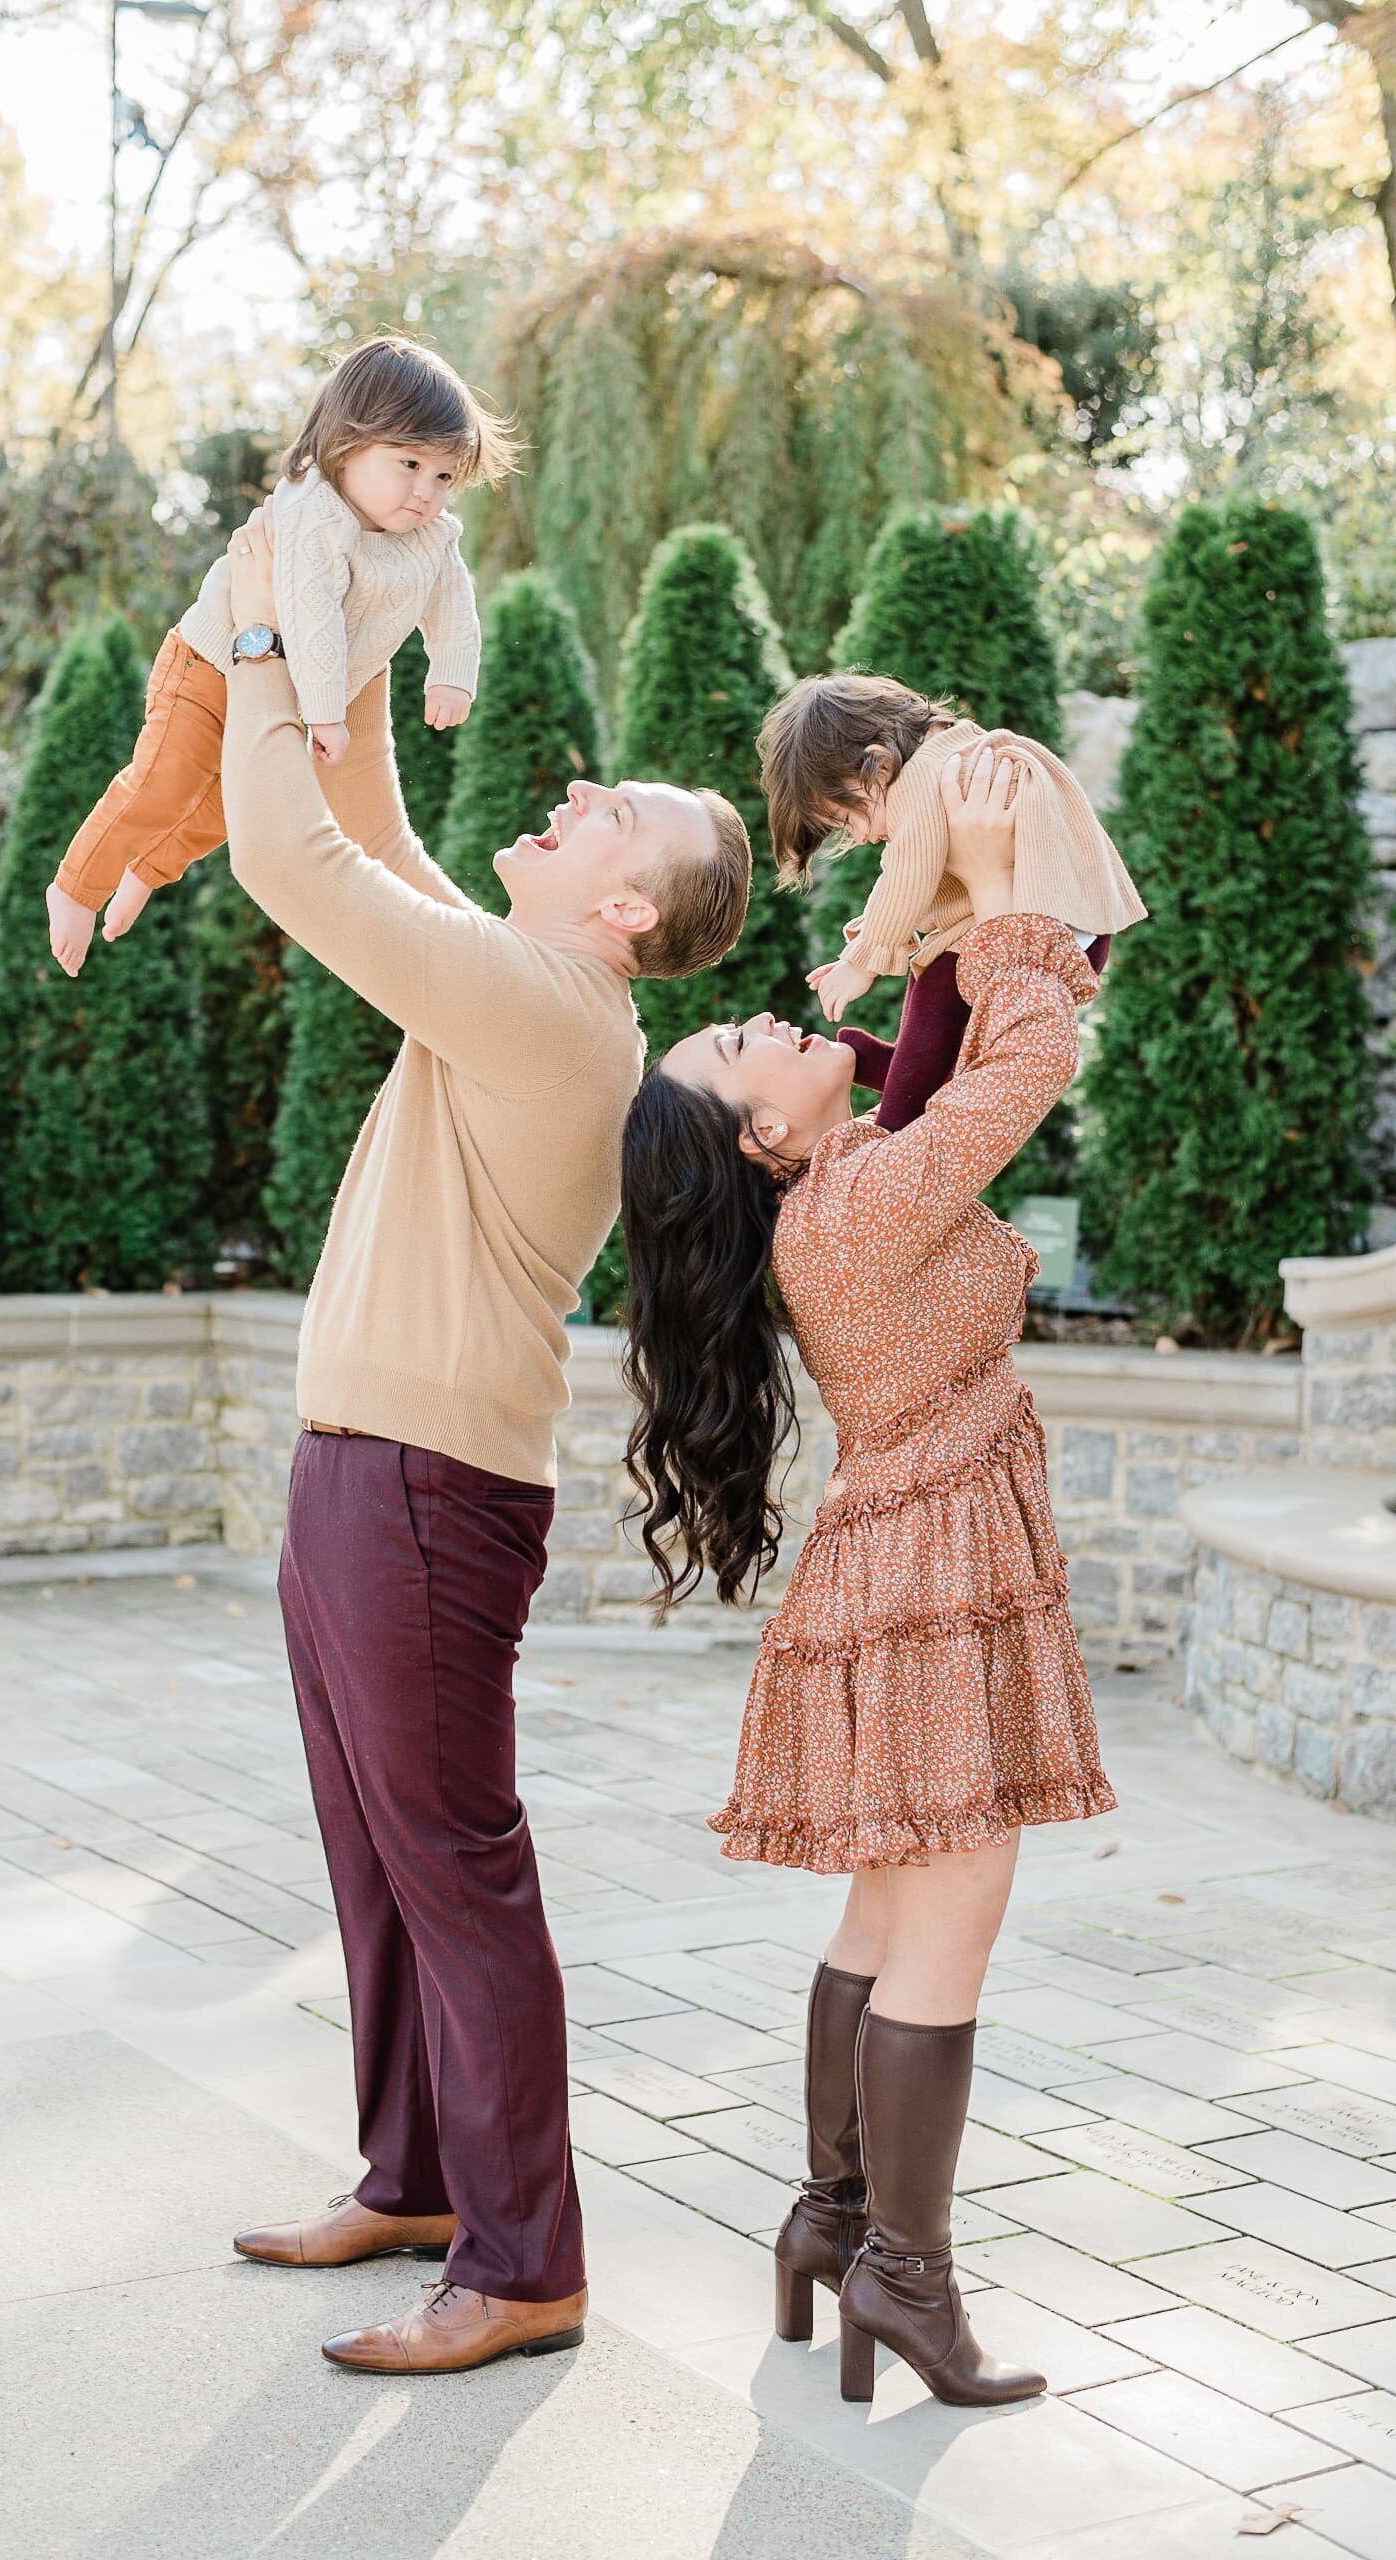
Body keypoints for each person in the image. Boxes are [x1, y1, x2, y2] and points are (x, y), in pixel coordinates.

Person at [213, 504, 754, 2375]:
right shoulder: (529, 975)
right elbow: (369, 832)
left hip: (424, 1488)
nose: (585, 785)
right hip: (357, 1462)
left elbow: (289, 854)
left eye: (620, 812)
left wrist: (259, 635)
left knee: (451, 1857)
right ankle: (417, 2177)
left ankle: (527, 2264)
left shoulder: (550, 1009)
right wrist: (348, 625)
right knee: (372, 1850)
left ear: (622, 914)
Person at [618, 748, 1117, 2410]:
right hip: (921, 1563)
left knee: (886, 1904)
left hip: (897, 1552)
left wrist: (936, 896)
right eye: (751, 1042)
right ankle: (901, 2276)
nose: (776, 1022)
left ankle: (832, 2225)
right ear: (761, 1132)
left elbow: (932, 1047)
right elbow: (1022, 1061)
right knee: (950, 1913)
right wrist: (1019, 898)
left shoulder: (837, 1189)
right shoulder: (860, 1203)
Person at [43, 336, 512, 978]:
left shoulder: (429, 535)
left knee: (227, 808)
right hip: (210, 669)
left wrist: (452, 674)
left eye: (444, 476)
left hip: (291, 695)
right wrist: (325, 716)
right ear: (347, 444)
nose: (426, 492)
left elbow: (453, 598)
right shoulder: (313, 513)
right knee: (167, 782)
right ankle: (75, 886)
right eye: (408, 463)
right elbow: (311, 616)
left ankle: (146, 871)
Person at [760, 672, 1145, 1130]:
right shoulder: (955, 750)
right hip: (1069, 922)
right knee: (935, 982)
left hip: (1045, 929)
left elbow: (906, 875)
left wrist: (861, 962)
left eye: (848, 819)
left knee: (936, 988)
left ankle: (894, 1124)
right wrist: (864, 942)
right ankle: (904, 1070)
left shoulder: (921, 781)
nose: (861, 838)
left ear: (877, 765)